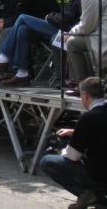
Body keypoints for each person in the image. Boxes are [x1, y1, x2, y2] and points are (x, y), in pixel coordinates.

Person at [40, 77, 107, 209]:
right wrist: (76, 132)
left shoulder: (88, 118)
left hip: (97, 175)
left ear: (85, 95)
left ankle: (87, 194)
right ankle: (99, 200)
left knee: (47, 160)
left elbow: (73, 156)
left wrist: (60, 151)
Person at [64, 0, 107, 94]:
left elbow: (87, 26)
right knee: (84, 42)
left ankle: (84, 86)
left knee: (72, 43)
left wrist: (69, 33)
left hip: (103, 39)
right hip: (101, 35)